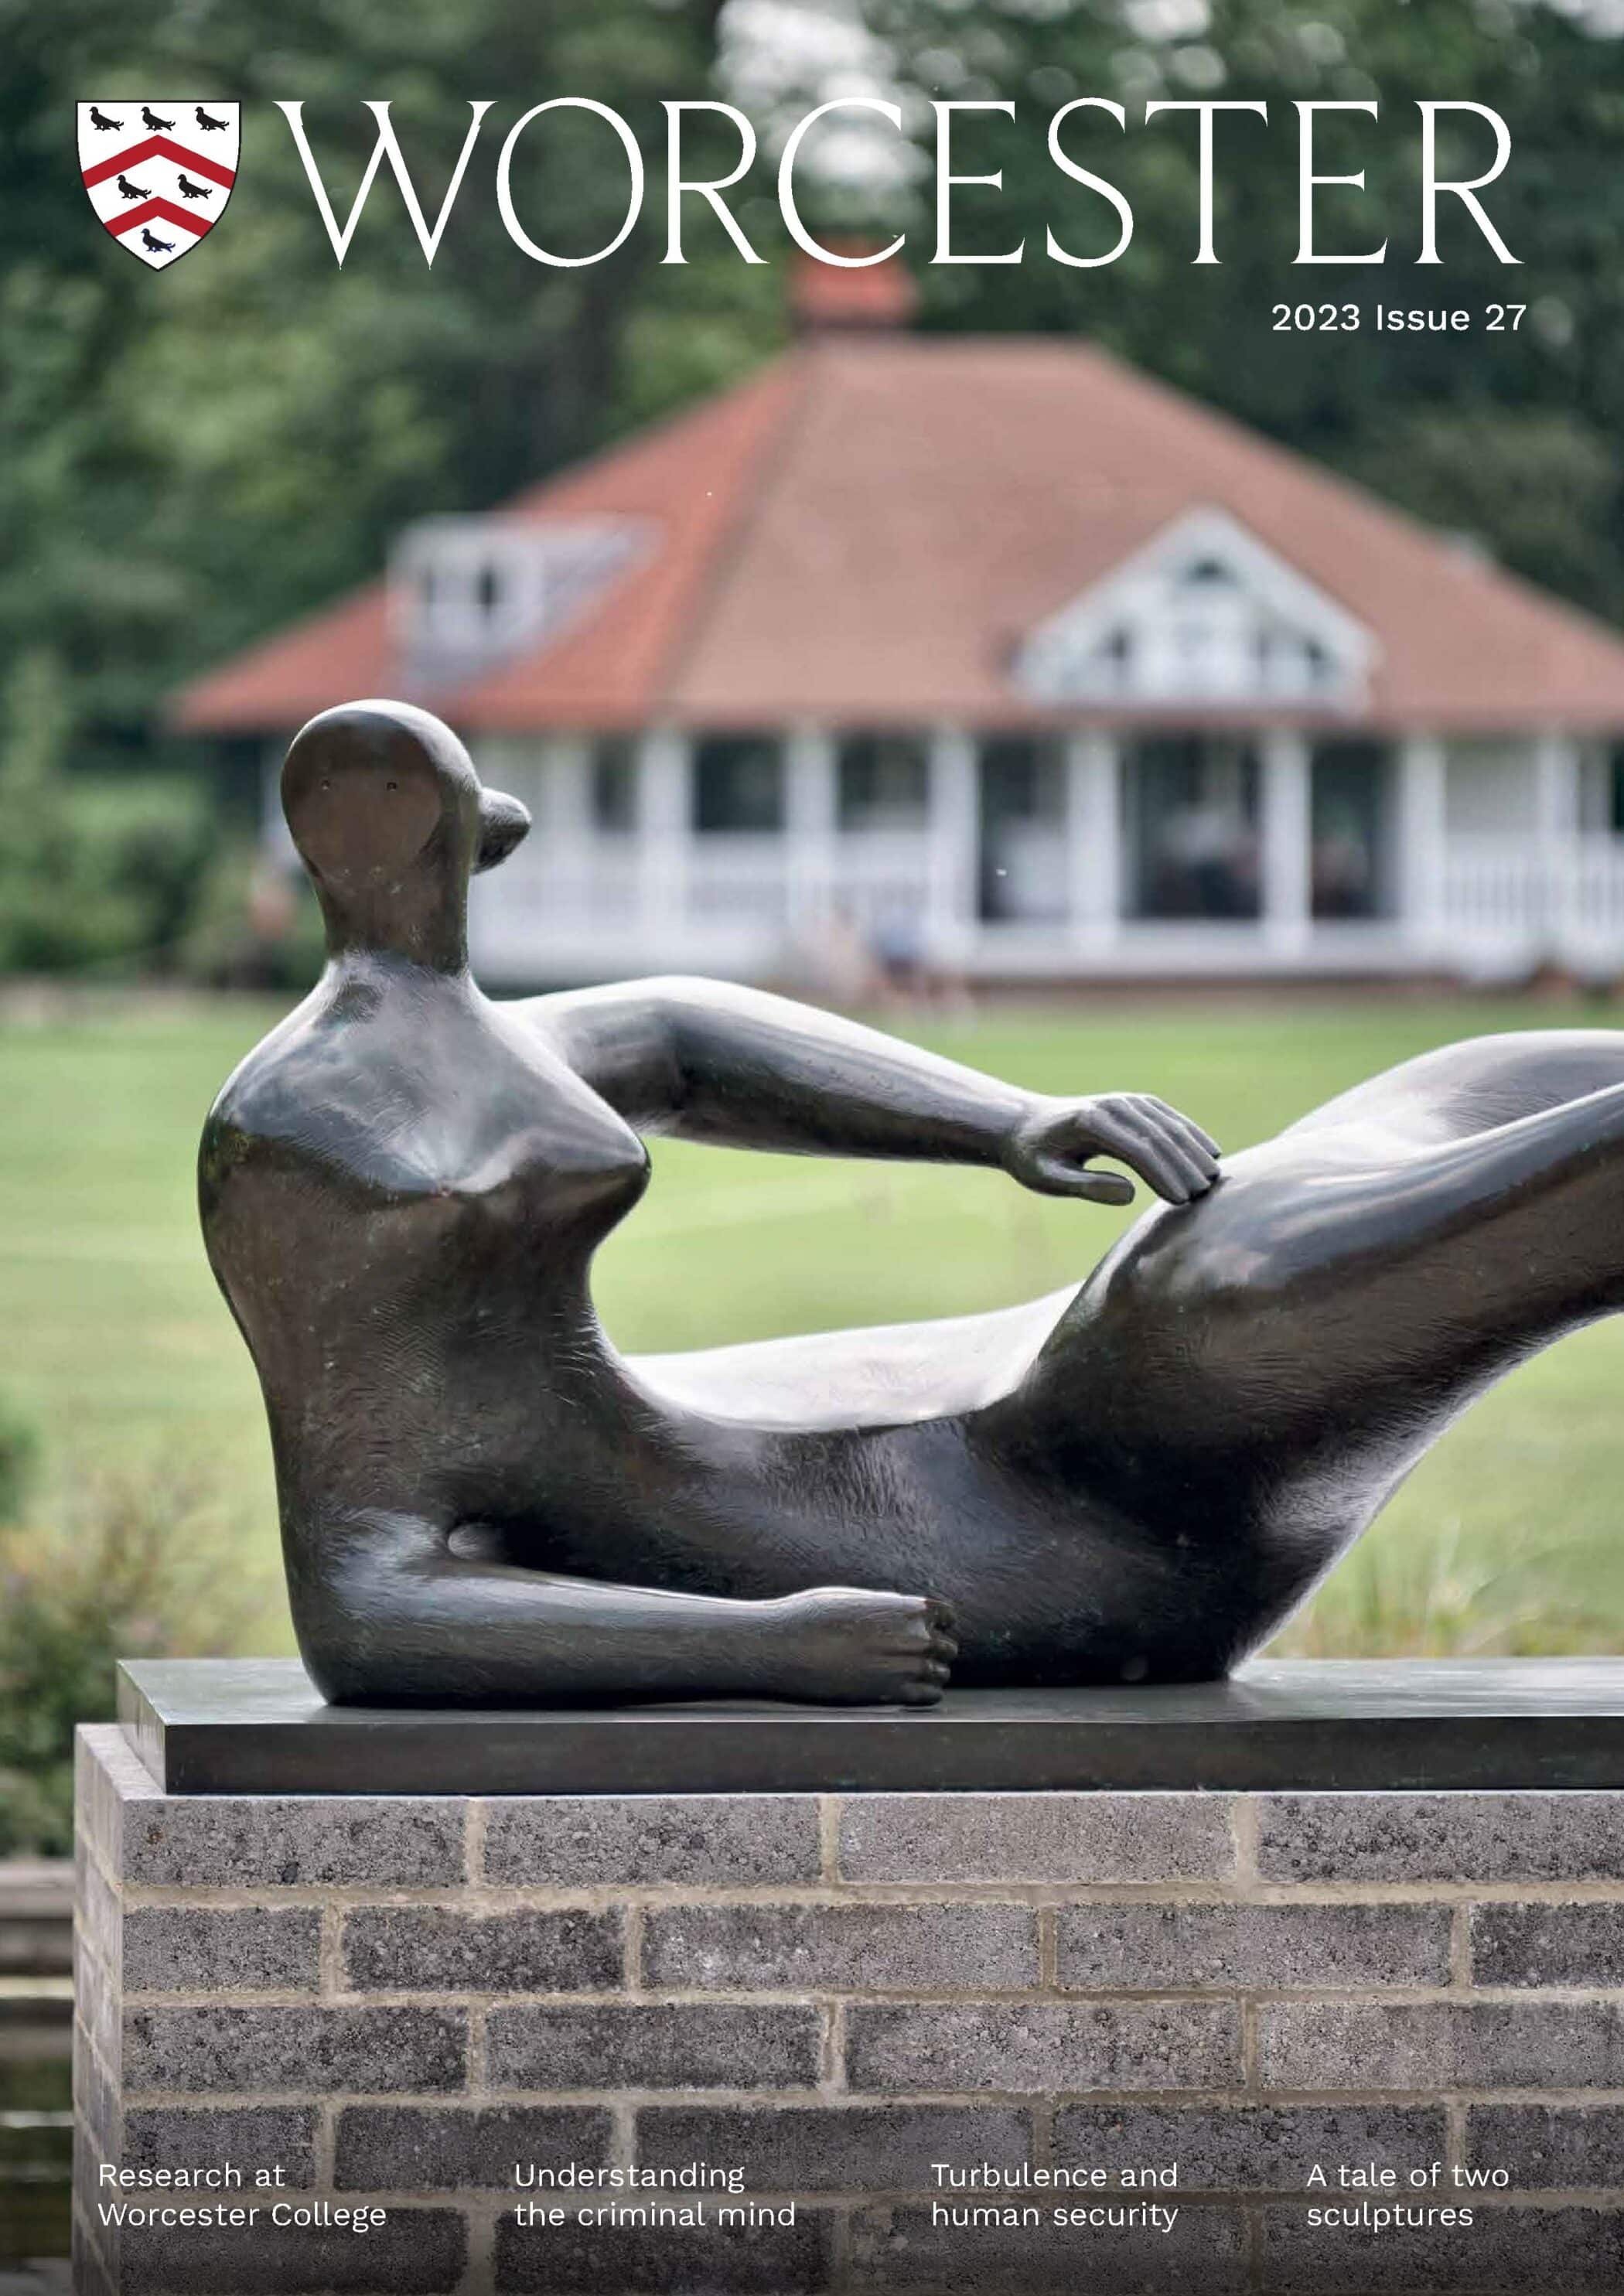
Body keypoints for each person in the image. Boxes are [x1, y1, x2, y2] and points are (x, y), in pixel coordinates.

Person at [202, 700, 1624, 1707]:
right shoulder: (308, 1143)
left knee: (1479, 1079)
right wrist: (763, 1647)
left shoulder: (469, 1036)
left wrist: (1010, 1121)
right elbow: (366, 1608)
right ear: (474, 838)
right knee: (1239, 1292)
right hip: (1029, 1526)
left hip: (968, 1431)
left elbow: (689, 1040)